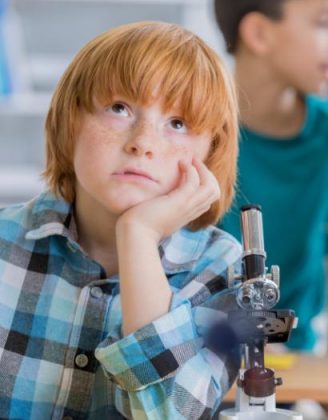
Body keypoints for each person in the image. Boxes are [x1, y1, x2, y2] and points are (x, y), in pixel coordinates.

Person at [0, 21, 242, 419]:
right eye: (119, 108)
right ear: (69, 122)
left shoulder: (223, 269)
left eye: (177, 124)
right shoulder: (9, 241)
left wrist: (139, 236)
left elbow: (170, 414)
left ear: (211, 153)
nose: (143, 142)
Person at [214, 0, 328, 353]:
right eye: (325, 22)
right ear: (259, 33)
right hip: (191, 357)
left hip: (290, 358)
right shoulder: (189, 133)